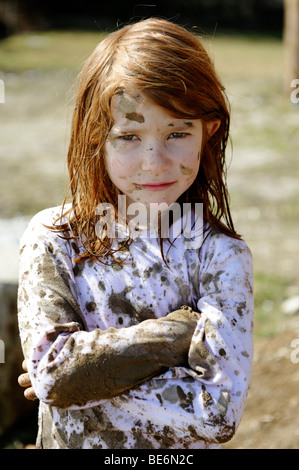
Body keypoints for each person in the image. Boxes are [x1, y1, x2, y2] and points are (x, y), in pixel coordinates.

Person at [17, 17, 254, 449]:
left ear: (208, 132)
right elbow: (53, 379)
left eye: (178, 133)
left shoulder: (219, 256)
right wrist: (175, 335)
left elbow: (217, 414)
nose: (155, 161)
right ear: (95, 138)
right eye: (128, 137)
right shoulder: (55, 240)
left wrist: (83, 382)